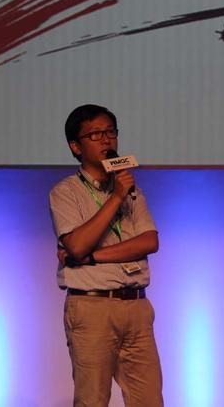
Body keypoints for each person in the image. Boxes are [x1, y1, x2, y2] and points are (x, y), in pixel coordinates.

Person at [49, 104, 163, 406]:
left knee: (149, 400)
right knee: (92, 400)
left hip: (136, 305)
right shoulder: (65, 192)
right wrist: (116, 197)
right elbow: (77, 245)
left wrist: (92, 257)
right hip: (92, 306)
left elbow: (149, 241)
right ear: (76, 146)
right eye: (96, 134)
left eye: (111, 132)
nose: (106, 140)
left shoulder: (131, 189)